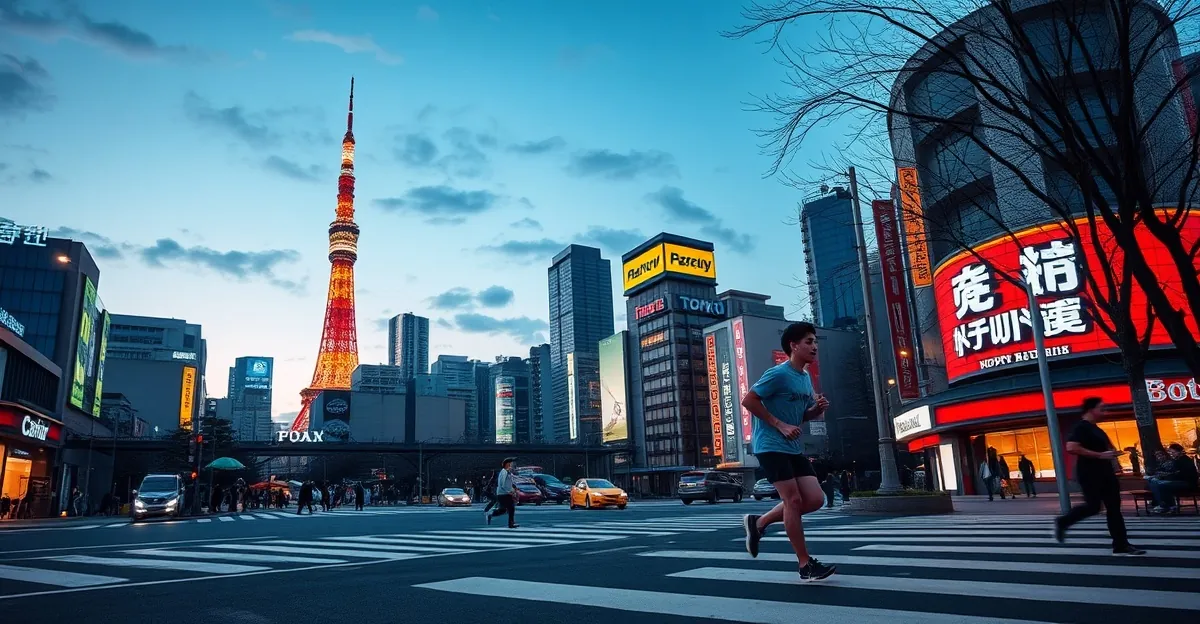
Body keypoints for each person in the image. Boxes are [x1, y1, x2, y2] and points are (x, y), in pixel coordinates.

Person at [740, 321, 835, 582]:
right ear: (794, 346)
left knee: (815, 499)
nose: (814, 346)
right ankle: (805, 565)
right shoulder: (778, 373)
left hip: (793, 447)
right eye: (808, 342)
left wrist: (815, 411)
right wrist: (779, 425)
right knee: (792, 500)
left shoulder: (805, 378)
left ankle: (759, 523)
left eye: (815, 341)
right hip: (770, 445)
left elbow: (799, 416)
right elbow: (748, 400)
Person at [1054, 397, 1145, 555]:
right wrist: (1099, 455)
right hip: (1090, 474)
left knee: (1114, 509)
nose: (1105, 412)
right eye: (1101, 409)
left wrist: (1114, 457)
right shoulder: (1081, 428)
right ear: (1091, 410)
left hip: (1106, 473)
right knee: (1093, 507)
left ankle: (1121, 544)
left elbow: (1106, 451)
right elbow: (1071, 447)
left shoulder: (1098, 430)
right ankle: (1063, 521)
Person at [1149, 443, 1199, 514]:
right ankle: (1164, 504)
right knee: (1155, 483)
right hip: (1180, 481)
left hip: (1187, 483)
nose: (1172, 454)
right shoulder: (1177, 460)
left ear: (1179, 452)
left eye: (1173, 452)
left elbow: (1181, 474)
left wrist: (1167, 476)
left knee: (1161, 484)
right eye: (1170, 452)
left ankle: (1168, 506)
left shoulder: (1185, 461)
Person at [488, 458, 519, 528]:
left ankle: (491, 515)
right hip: (503, 494)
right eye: (512, 463)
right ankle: (511, 524)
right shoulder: (503, 472)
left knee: (503, 510)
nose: (513, 465)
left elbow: (508, 484)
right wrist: (510, 491)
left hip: (504, 493)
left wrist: (513, 489)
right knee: (511, 508)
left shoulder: (508, 472)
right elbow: (503, 484)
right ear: (508, 464)